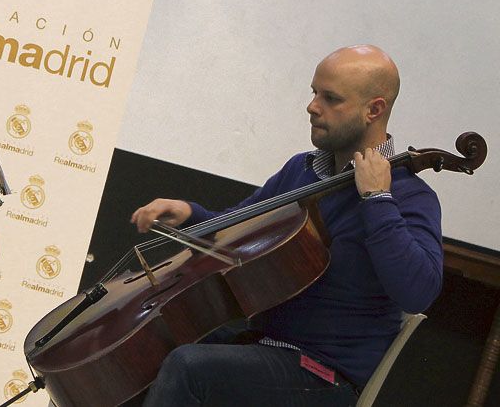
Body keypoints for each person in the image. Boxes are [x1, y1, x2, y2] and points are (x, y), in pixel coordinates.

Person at [130, 45, 441, 407]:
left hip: (324, 373)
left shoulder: (408, 196)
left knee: (188, 367)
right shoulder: (302, 170)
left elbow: (418, 292)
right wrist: (189, 213)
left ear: (374, 109)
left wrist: (376, 199)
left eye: (330, 98)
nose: (312, 106)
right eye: (314, 93)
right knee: (155, 349)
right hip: (265, 346)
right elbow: (237, 230)